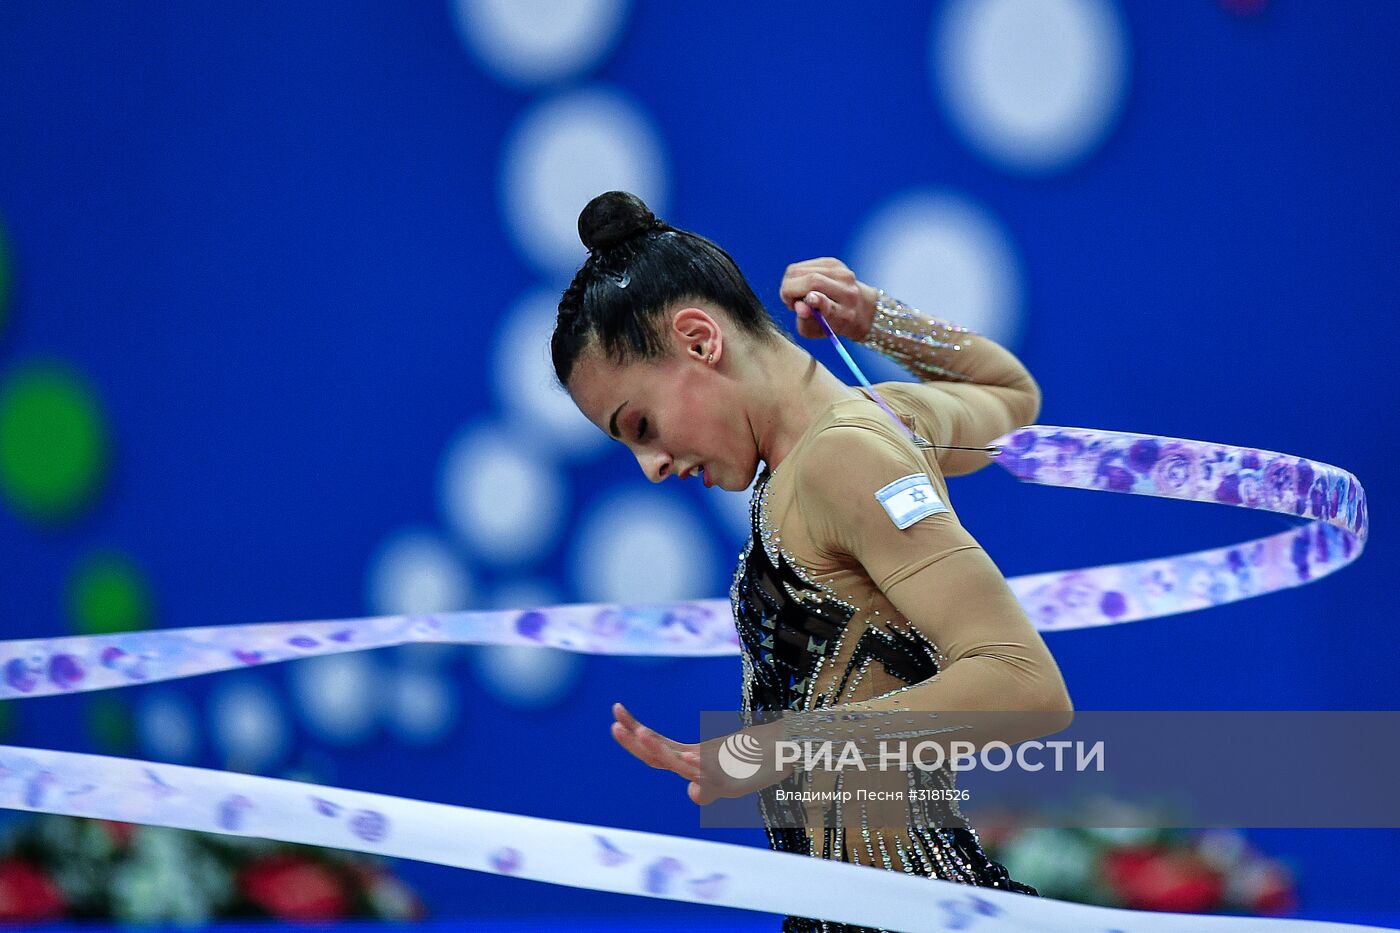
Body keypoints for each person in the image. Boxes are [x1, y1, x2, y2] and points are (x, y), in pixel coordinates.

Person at [552, 191, 1073, 932]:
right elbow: (1010, 395)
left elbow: (1027, 684)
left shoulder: (845, 454)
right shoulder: (876, 424)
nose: (652, 466)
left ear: (700, 340)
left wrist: (784, 747)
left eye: (641, 425)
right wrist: (874, 317)